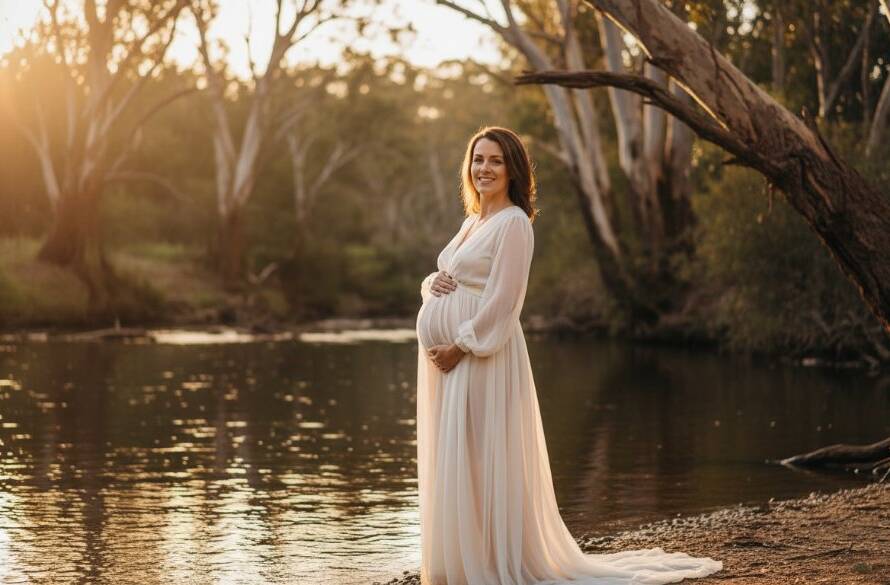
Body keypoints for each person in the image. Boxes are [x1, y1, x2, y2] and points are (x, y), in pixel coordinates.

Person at [414, 126, 722, 585]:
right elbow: (448, 278)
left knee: (484, 455)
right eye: (478, 159)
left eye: (495, 160)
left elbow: (505, 300)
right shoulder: (471, 222)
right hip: (452, 359)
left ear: (513, 169)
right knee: (462, 455)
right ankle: (462, 558)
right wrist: (429, 286)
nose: (484, 168)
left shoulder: (515, 222)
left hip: (479, 355)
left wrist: (460, 344)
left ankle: (495, 561)